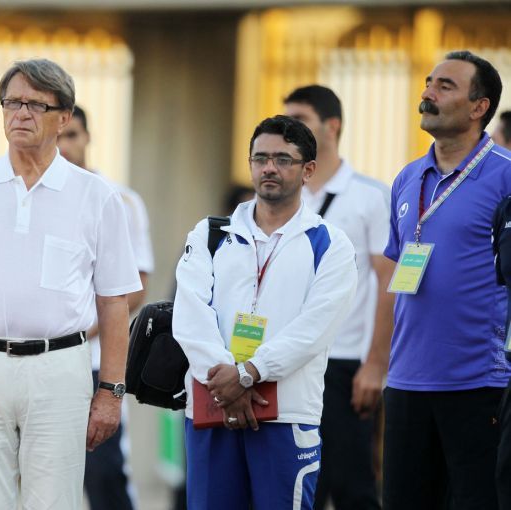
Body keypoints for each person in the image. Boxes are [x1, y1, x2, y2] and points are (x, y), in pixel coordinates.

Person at [0, 59, 142, 509]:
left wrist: (110, 392)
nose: (20, 113)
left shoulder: (97, 197)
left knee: (54, 502)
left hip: (59, 370)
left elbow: (114, 301)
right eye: (12, 103)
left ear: (64, 117)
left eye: (35, 105)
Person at [173, 115, 358, 510]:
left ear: (308, 170)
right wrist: (227, 382)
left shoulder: (330, 244)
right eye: (260, 158)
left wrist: (249, 373)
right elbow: (189, 315)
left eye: (283, 159)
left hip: (286, 414)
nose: (269, 168)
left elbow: (315, 328)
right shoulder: (211, 233)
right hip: (212, 406)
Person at [383, 50, 510, 510]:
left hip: (478, 382)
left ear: (480, 107)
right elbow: (395, 270)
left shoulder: (506, 174)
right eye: (428, 82)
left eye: (445, 86)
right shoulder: (407, 178)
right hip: (406, 382)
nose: (428, 93)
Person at [284, 85, 394, 510]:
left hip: (345, 363)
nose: (290, 128)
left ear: (332, 127)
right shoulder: (282, 193)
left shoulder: (370, 195)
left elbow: (388, 281)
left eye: (300, 118)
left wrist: (375, 364)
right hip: (288, 361)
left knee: (353, 487)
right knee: (297, 488)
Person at [57, 105, 153, 510]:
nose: (63, 146)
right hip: (42, 362)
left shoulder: (120, 200)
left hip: (96, 358)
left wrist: (85, 328)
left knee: (104, 472)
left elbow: (138, 284)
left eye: (71, 135)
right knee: (45, 474)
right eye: (56, 137)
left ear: (88, 137)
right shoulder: (30, 199)